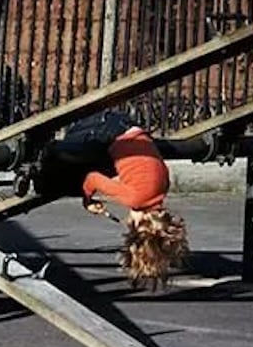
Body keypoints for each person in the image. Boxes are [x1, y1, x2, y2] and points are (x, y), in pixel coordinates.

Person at [45, 109, 189, 291]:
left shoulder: (163, 188)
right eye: (130, 227)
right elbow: (92, 179)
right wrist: (87, 200)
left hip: (127, 126)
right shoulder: (135, 198)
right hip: (105, 128)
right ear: (139, 225)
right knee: (63, 150)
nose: (127, 222)